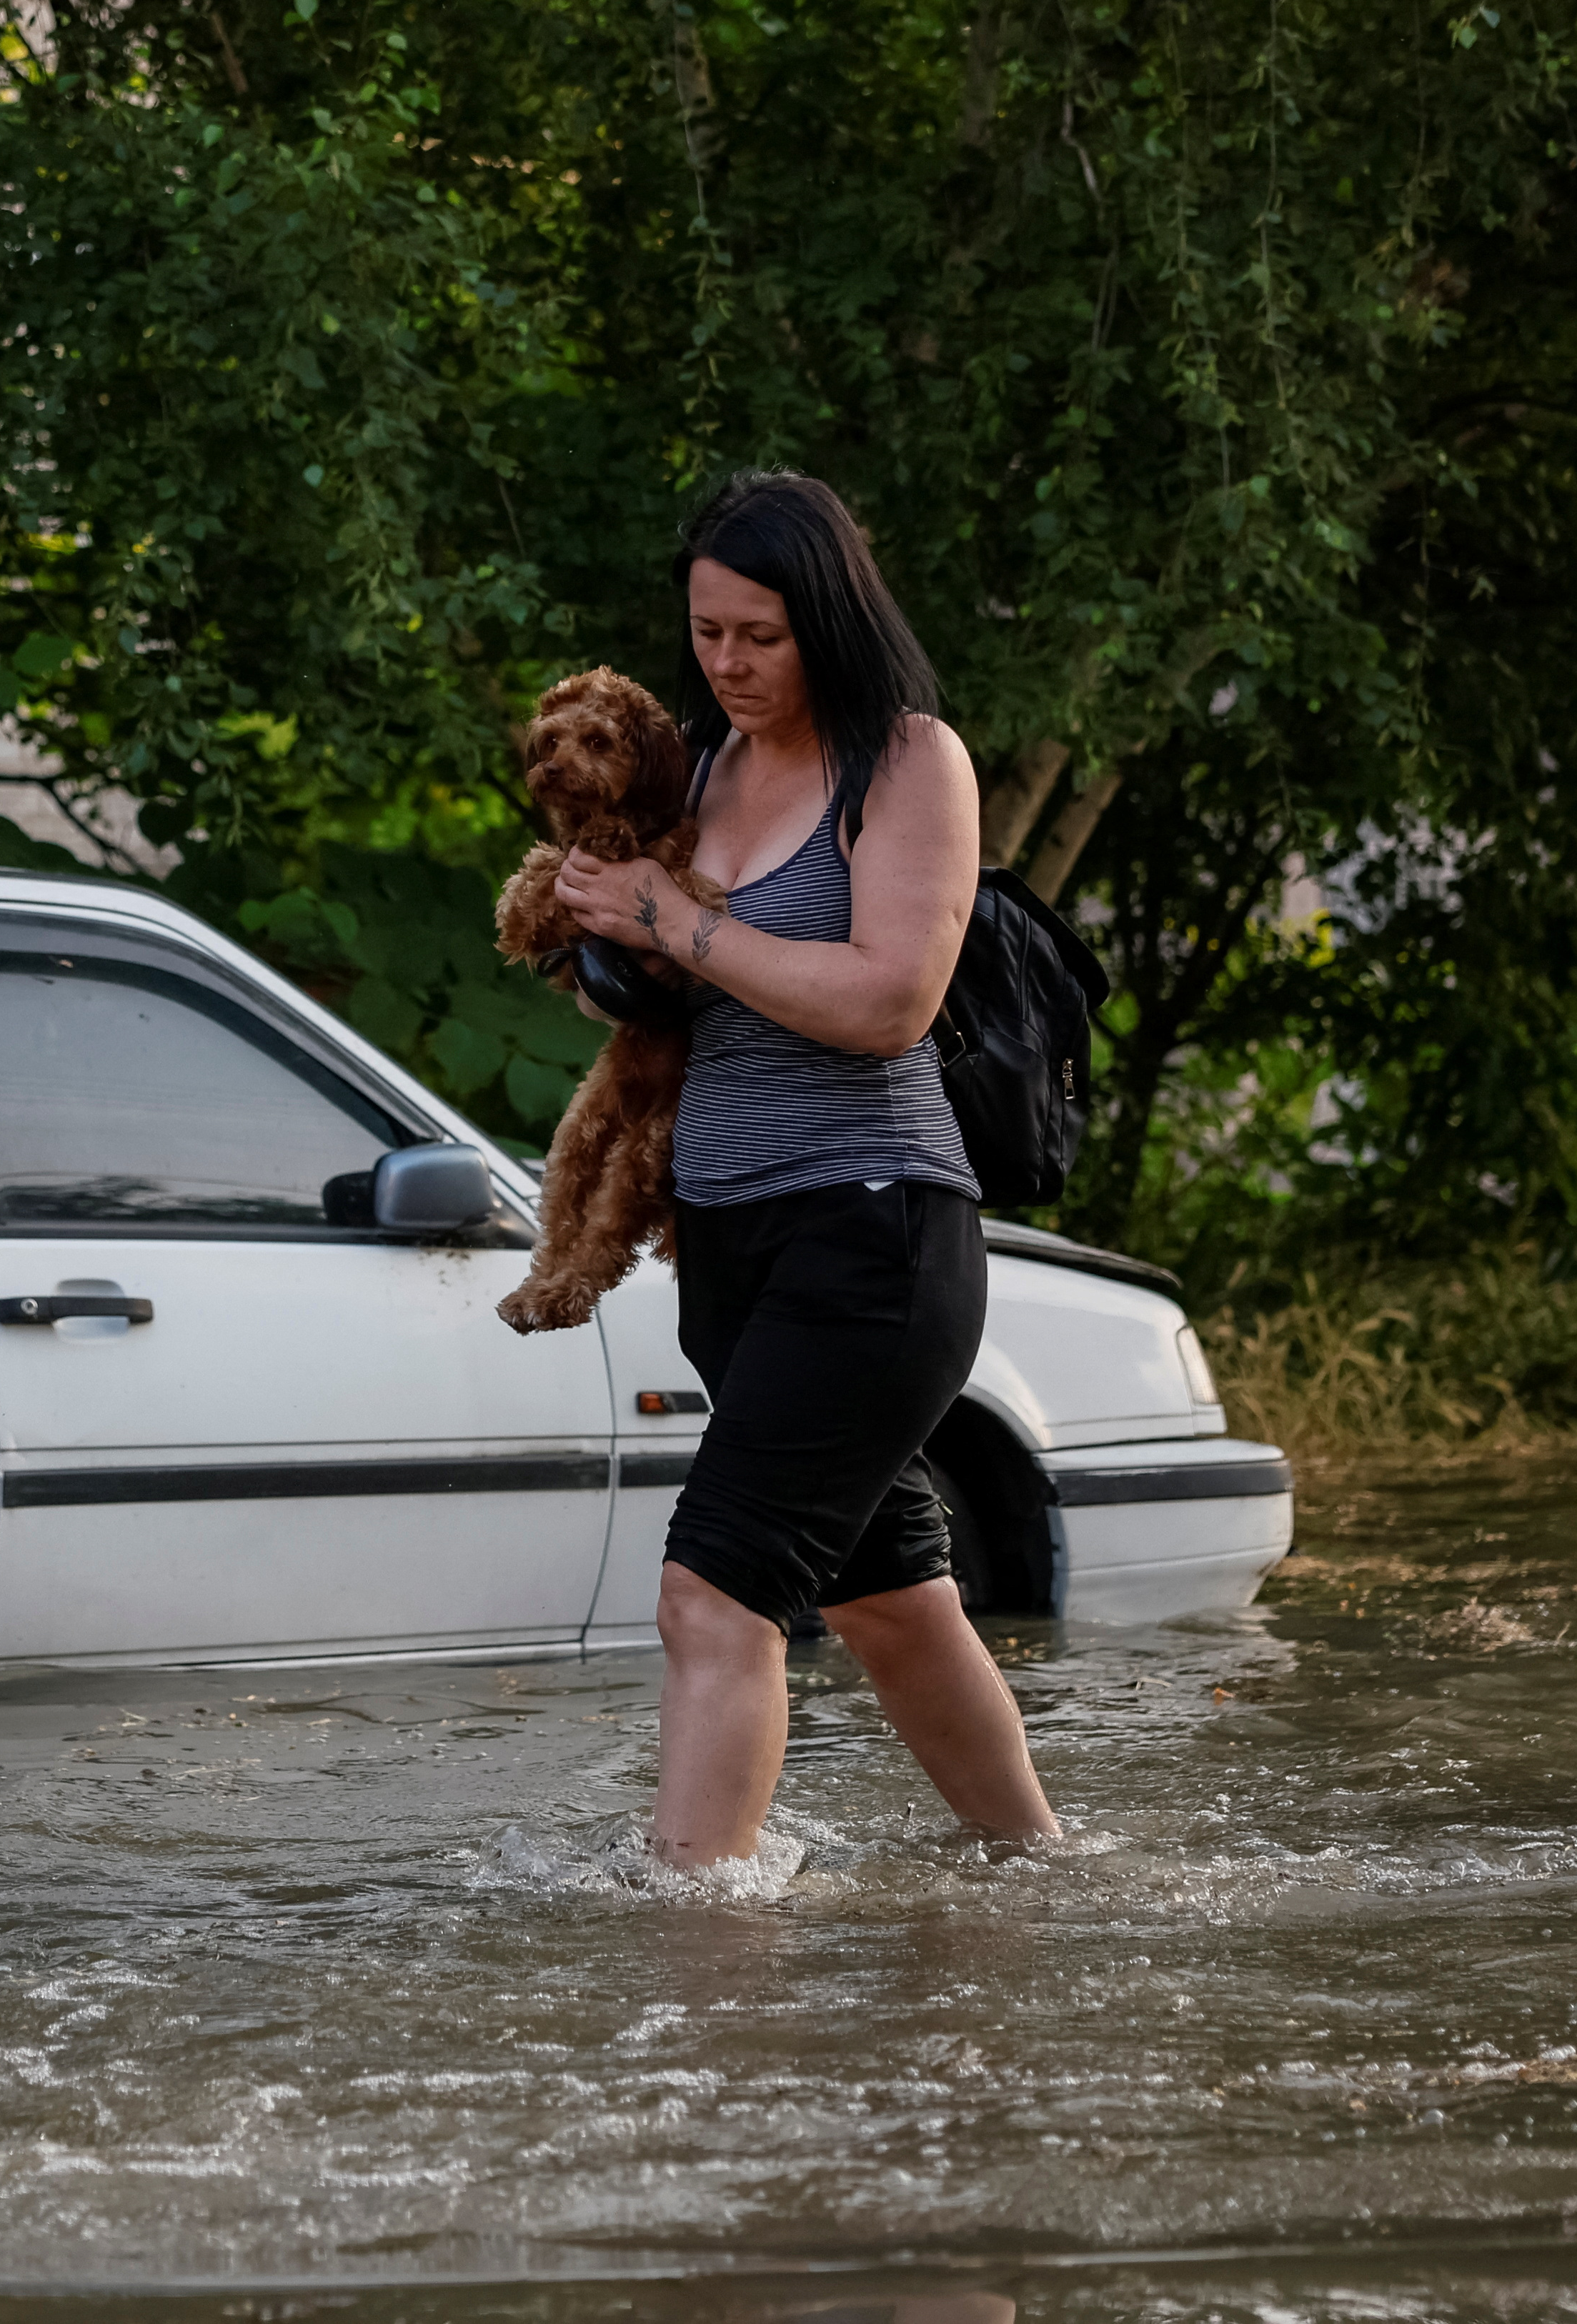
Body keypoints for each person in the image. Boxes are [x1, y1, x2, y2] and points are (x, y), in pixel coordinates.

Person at [545, 469, 1060, 1867]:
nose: (725, 664)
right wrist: (605, 935)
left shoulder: (908, 762)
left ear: (826, 615)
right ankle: (1041, 1876)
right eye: (705, 632)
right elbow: (665, 998)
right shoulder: (700, 768)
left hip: (875, 1238)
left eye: (756, 636)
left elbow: (887, 997)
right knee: (891, 1600)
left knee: (710, 1597)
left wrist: (675, 920)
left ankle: (699, 1948)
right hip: (730, 1245)